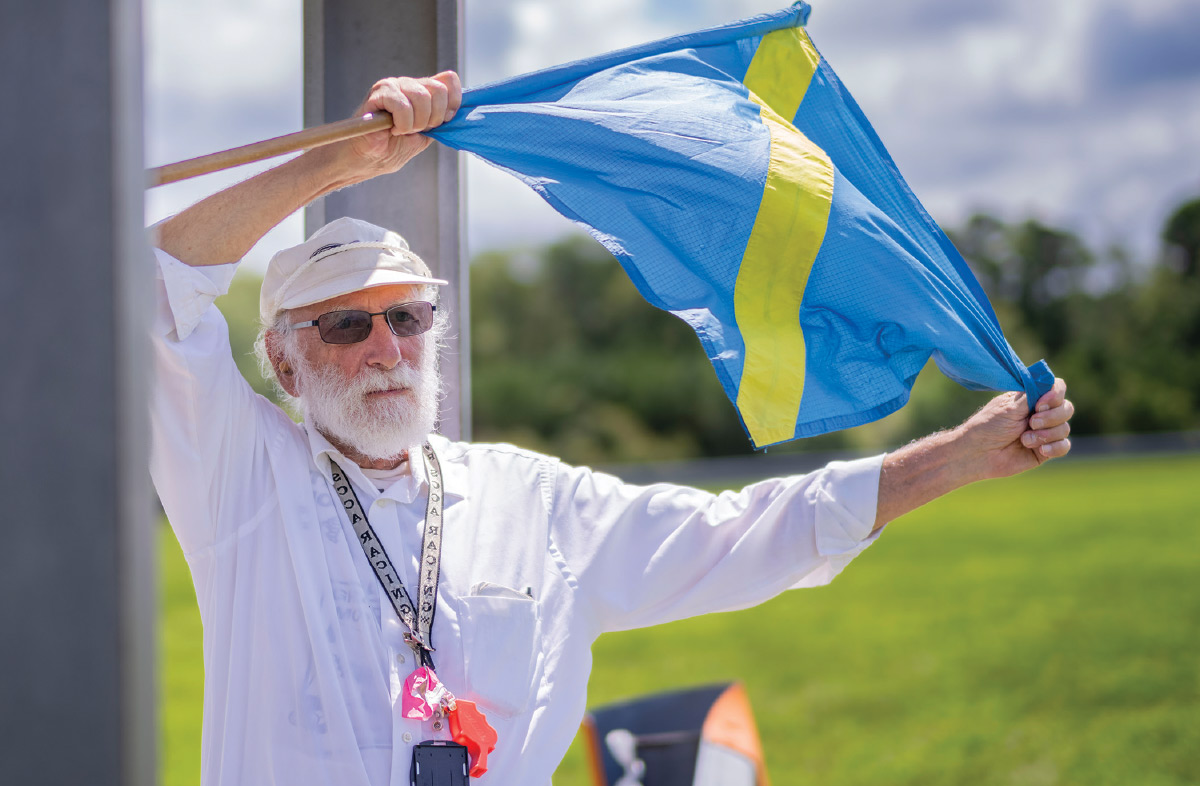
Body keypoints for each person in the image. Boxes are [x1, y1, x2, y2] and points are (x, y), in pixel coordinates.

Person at [150, 72, 1074, 786]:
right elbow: (154, 283)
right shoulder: (240, 472)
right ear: (283, 362)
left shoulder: (532, 499)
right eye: (346, 325)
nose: (386, 348)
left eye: (408, 318)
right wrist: (337, 163)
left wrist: (954, 460)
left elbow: (742, 533)